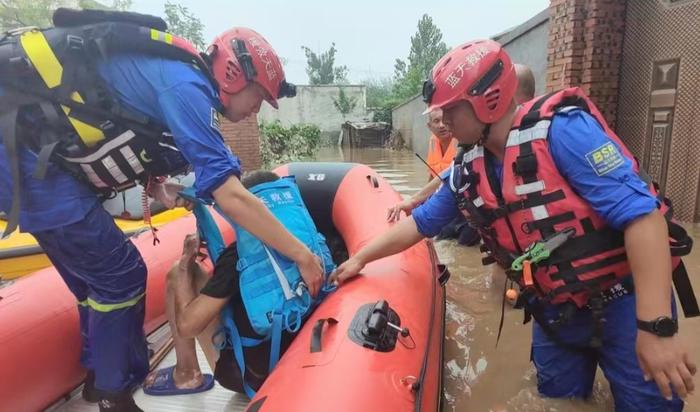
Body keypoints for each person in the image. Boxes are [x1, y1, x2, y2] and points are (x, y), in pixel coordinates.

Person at [331, 40, 697, 411]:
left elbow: (643, 217)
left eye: (450, 110)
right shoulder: (470, 169)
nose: (443, 121)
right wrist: (360, 258)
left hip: (625, 302)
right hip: (557, 310)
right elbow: (420, 224)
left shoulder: (564, 133)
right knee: (558, 401)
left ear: (485, 100)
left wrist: (656, 329)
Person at [0, 10, 323, 412]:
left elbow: (125, 128)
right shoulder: (185, 86)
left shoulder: (177, 78)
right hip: (28, 161)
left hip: (27, 154)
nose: (255, 111)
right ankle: (114, 395)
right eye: (258, 99)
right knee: (121, 275)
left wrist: (154, 179)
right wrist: (303, 255)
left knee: (93, 279)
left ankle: (99, 377)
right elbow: (232, 195)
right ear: (232, 77)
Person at [142, 171, 334, 397]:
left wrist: (186, 263)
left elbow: (188, 327)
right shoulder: (316, 245)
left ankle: (186, 373)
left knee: (178, 273)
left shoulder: (239, 257)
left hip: (255, 376)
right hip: (311, 367)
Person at [387, 64, 537, 246]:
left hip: (476, 212)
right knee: (445, 238)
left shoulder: (553, 137)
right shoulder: (471, 150)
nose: (445, 124)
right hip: (461, 204)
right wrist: (415, 200)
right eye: (438, 120)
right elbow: (450, 177)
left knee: (465, 242)